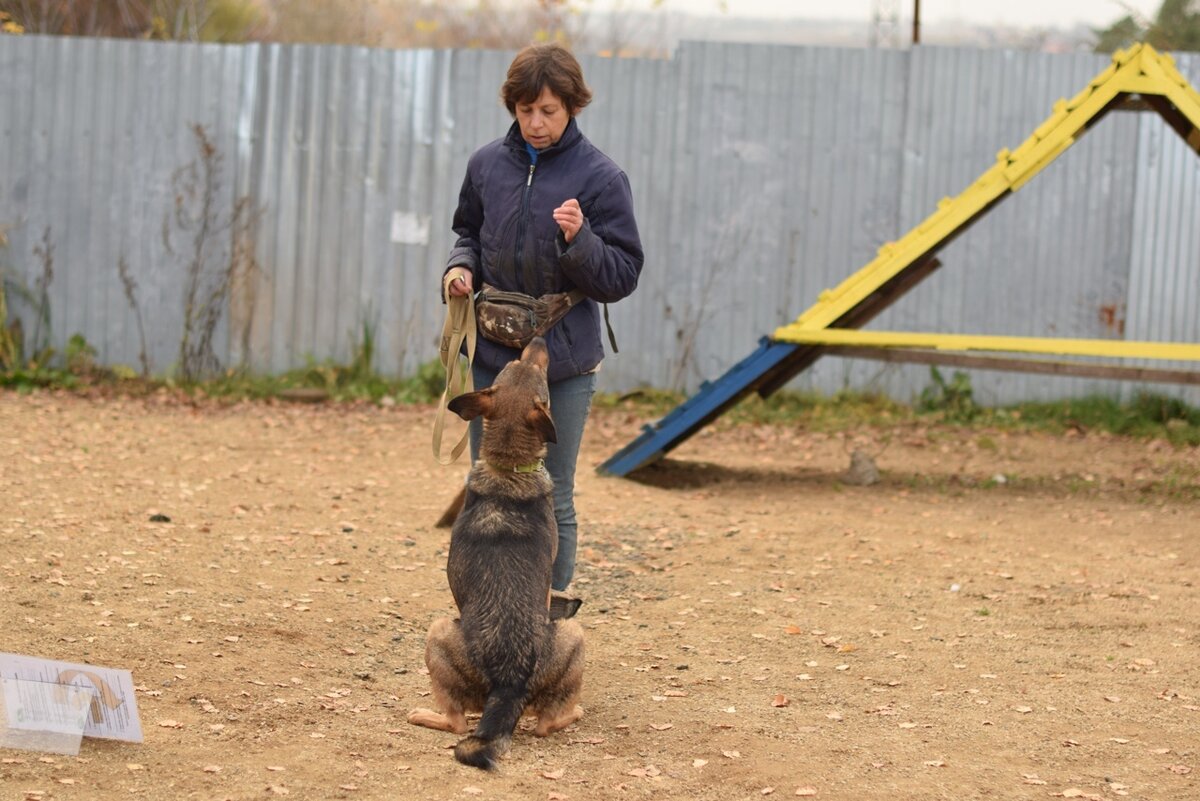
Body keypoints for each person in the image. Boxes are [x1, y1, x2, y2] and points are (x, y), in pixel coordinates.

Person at [441, 42, 644, 596]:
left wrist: (581, 240)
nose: (535, 123)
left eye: (548, 111)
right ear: (513, 106)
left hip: (565, 363)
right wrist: (458, 271)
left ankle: (542, 618)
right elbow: (468, 235)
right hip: (491, 352)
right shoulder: (486, 164)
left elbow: (623, 275)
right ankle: (483, 616)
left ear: (572, 106)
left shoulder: (602, 178)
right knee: (487, 486)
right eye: (525, 110)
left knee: (552, 494)